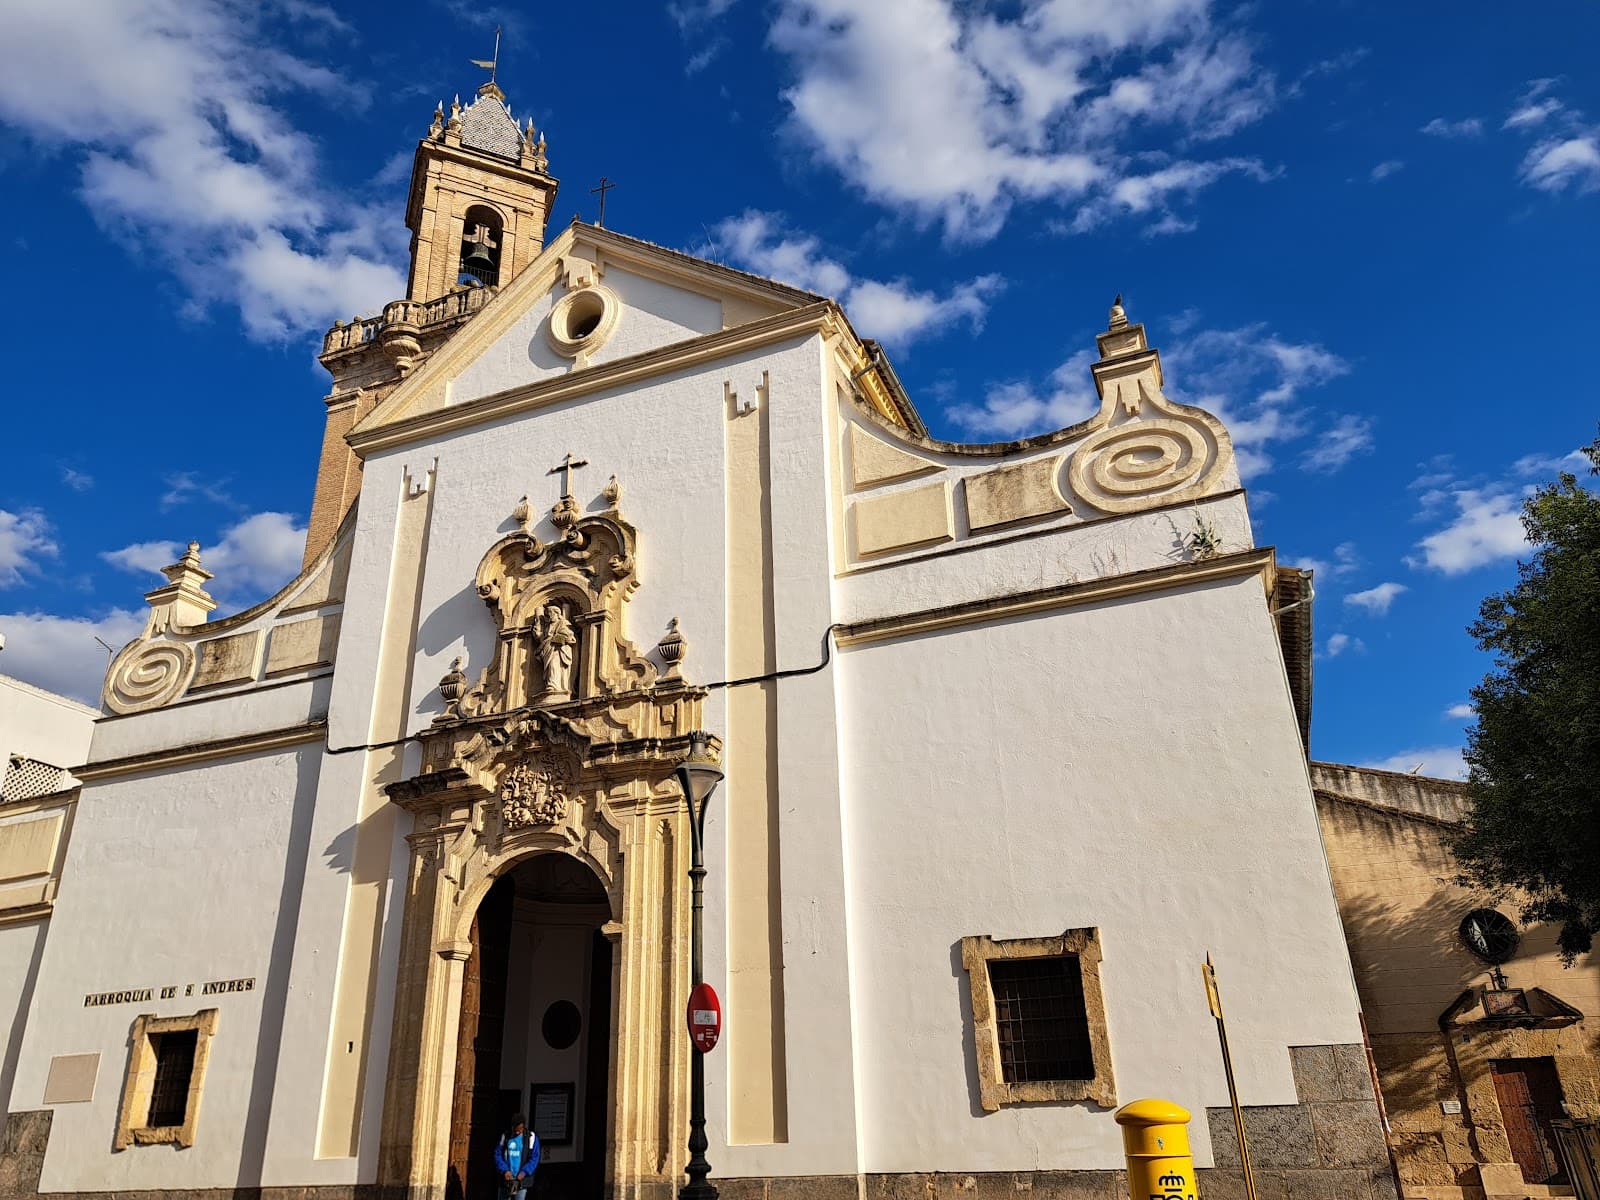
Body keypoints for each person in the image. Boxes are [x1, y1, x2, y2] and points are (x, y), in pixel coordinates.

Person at [494, 1113, 539, 1200]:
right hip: (506, 1179)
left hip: (521, 1180)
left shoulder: (531, 1138)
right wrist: (505, 1170)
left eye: (520, 1130)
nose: (517, 1132)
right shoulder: (505, 1136)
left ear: (524, 1127)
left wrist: (524, 1171)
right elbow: (497, 1154)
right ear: (512, 1127)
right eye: (515, 1130)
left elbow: (534, 1158)